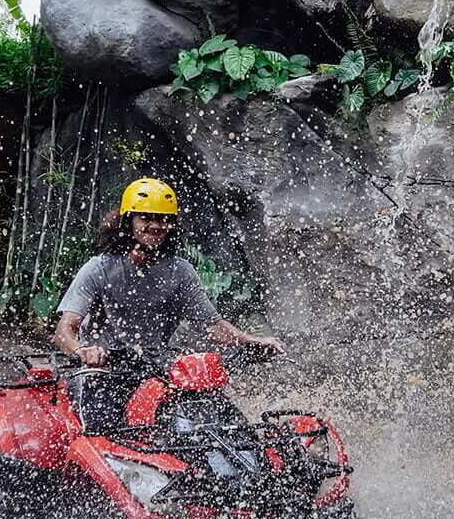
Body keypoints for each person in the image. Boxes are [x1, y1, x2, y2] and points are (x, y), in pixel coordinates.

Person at [53, 178, 284, 428]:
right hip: (103, 373)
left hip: (156, 370)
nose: (156, 226)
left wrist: (252, 342)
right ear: (128, 221)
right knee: (102, 430)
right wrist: (82, 351)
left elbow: (212, 326)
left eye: (163, 219)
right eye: (146, 218)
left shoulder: (180, 272)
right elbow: (64, 331)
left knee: (225, 422)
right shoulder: (99, 269)